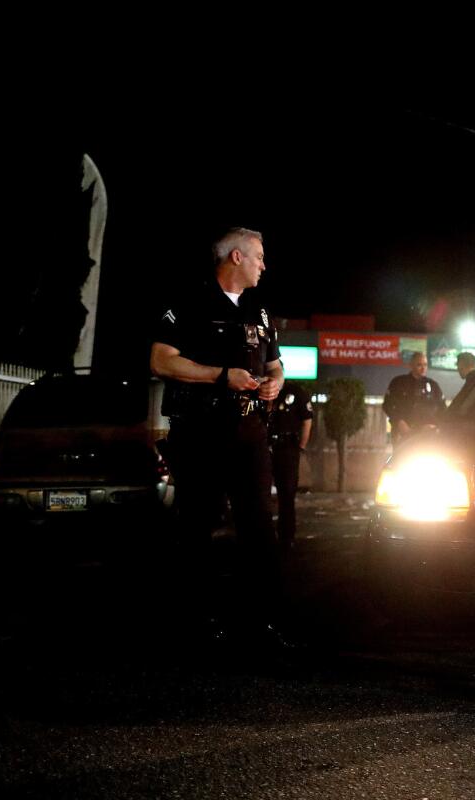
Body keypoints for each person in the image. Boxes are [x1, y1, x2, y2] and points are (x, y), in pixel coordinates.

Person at [150, 226, 293, 650]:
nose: (264, 266)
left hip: (249, 432)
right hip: (200, 432)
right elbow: (160, 361)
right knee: (197, 525)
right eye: (259, 257)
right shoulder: (188, 302)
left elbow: (277, 365)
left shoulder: (259, 310)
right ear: (236, 257)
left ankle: (261, 624)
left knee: (259, 529)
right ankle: (194, 623)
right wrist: (220, 378)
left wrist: (275, 383)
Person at [269, 380, 314, 552]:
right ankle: (261, 537)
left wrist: (301, 447)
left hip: (287, 447)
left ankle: (286, 537)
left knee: (287, 495)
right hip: (263, 445)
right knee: (258, 496)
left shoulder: (295, 391)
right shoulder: (259, 387)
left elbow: (307, 420)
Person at [383, 351, 444, 446]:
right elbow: (388, 405)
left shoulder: (433, 386)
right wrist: (399, 421)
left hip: (427, 435)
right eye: (419, 365)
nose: (423, 368)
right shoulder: (398, 382)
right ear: (411, 365)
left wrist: (435, 426)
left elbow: (442, 409)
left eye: (425, 365)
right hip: (403, 433)